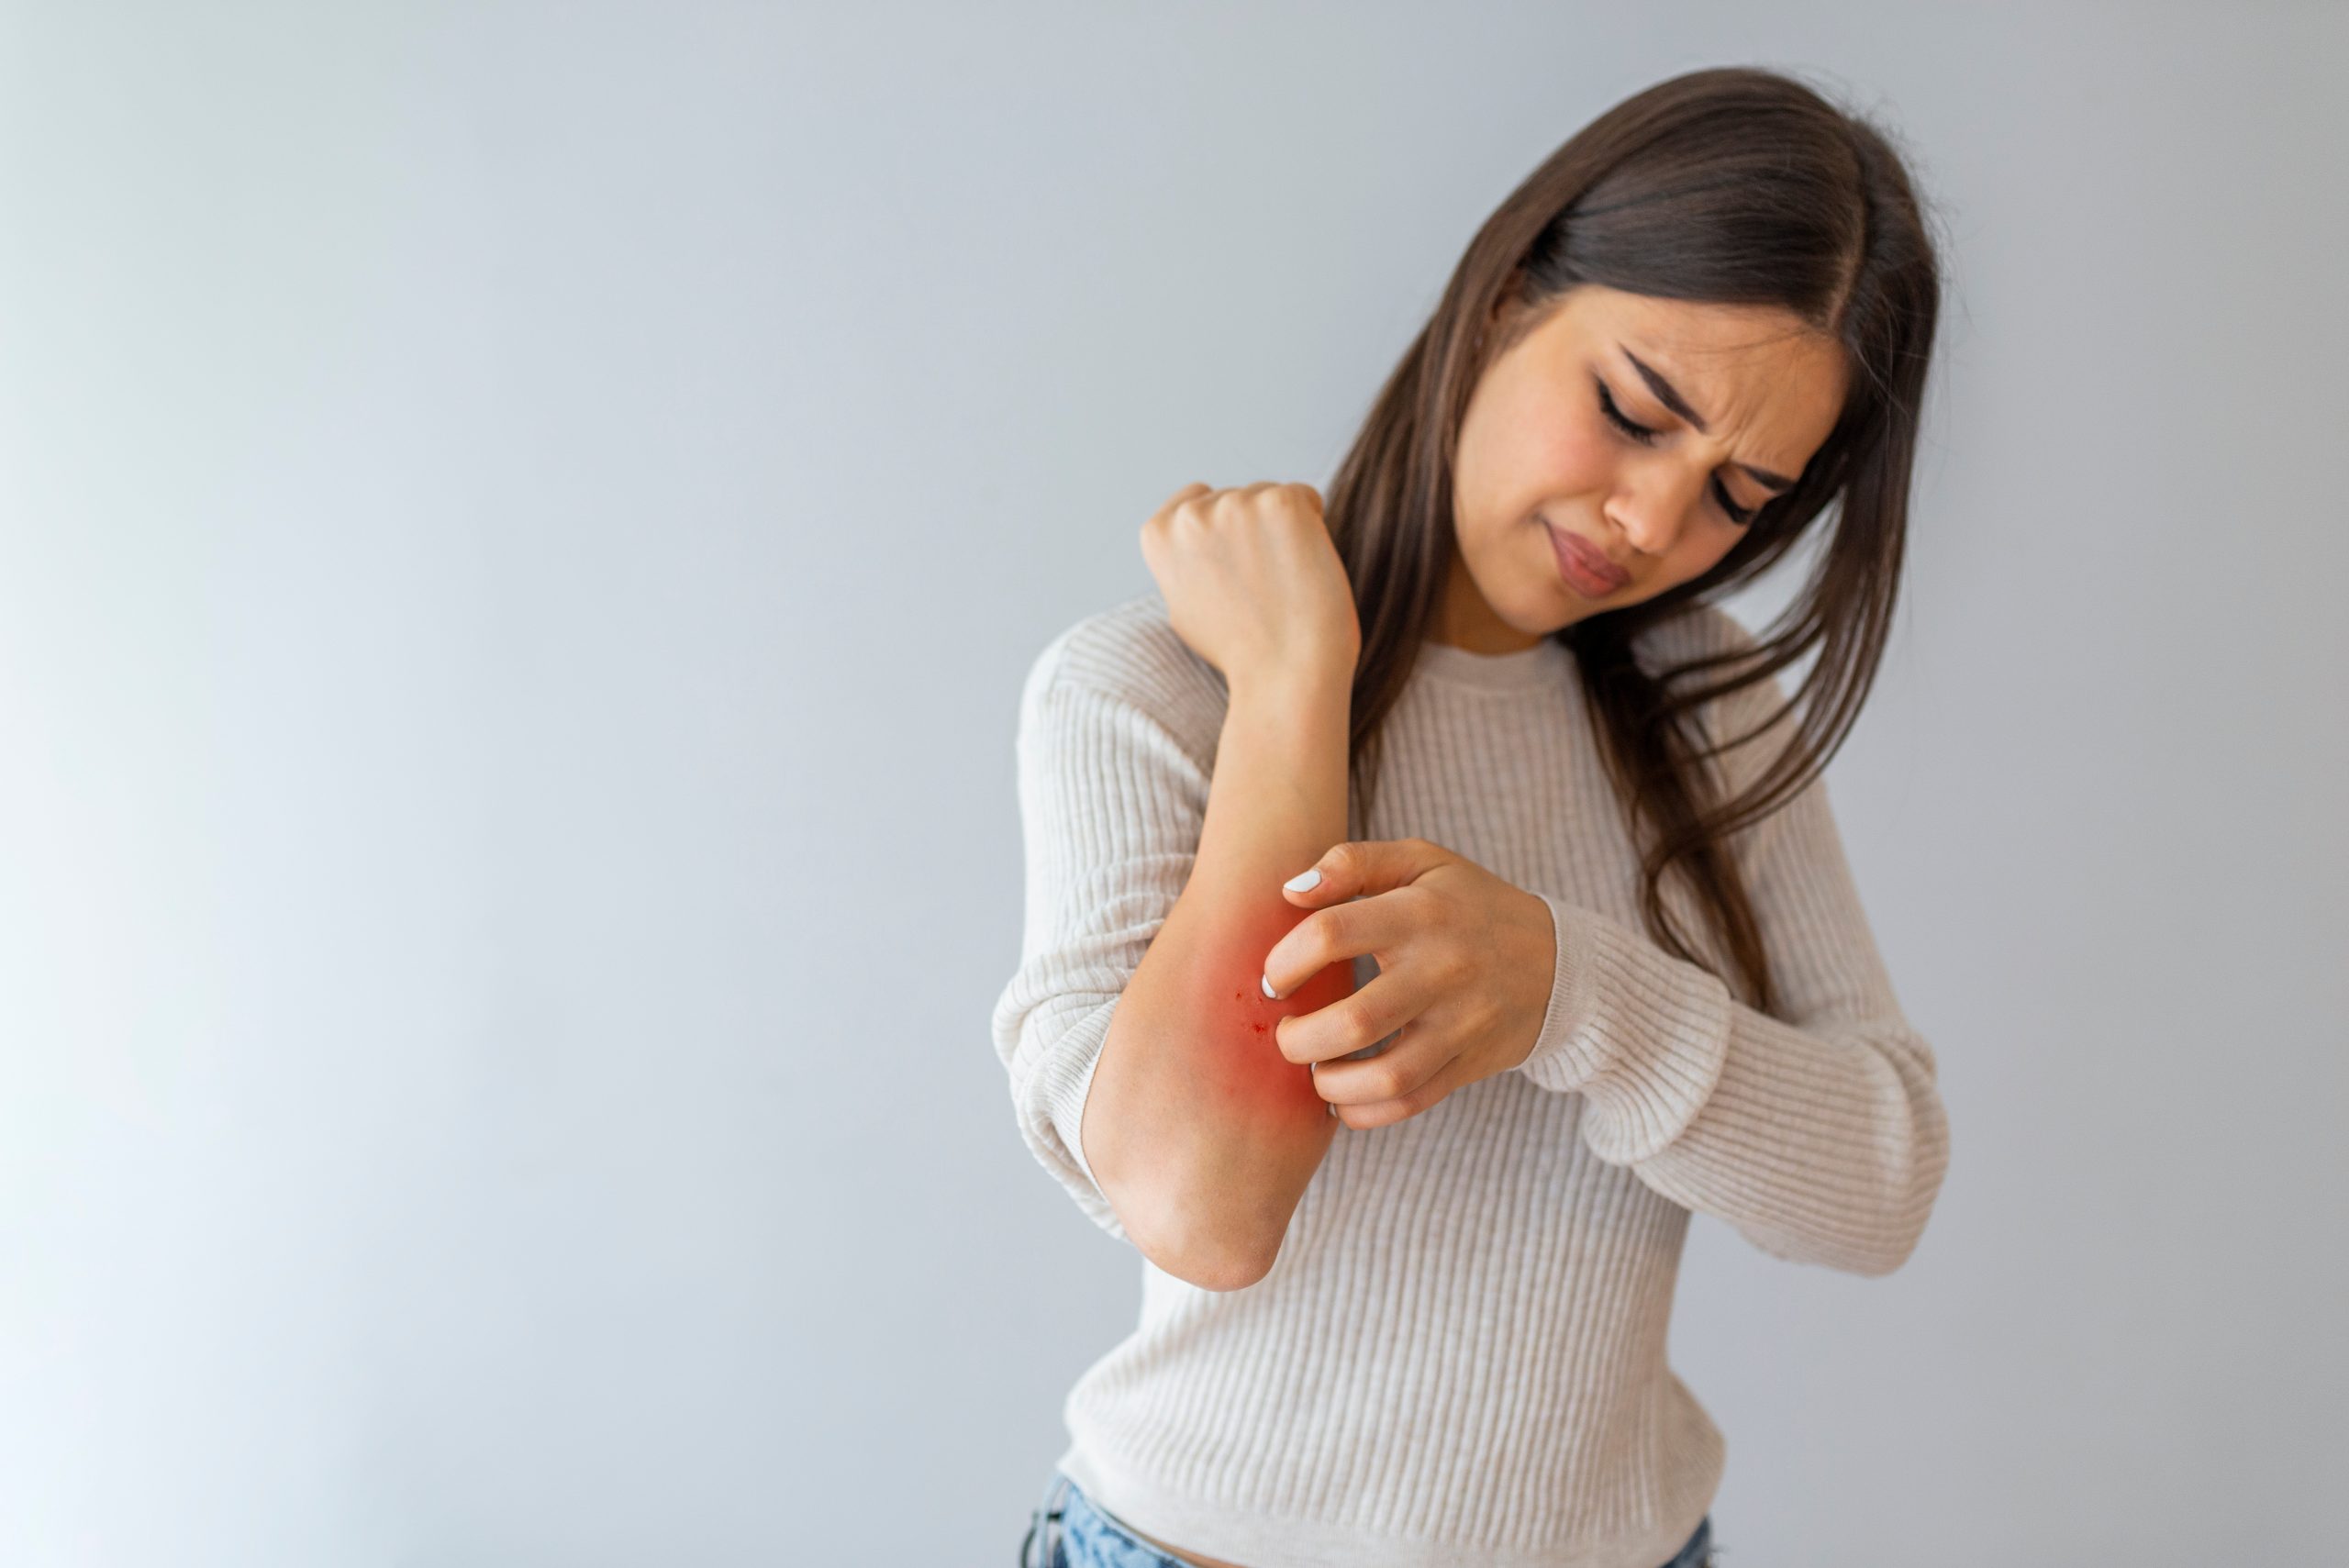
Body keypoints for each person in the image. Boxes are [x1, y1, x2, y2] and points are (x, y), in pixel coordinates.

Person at [993, 63, 1953, 1568]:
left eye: (1739, 494)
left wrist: (1575, 993)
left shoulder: (1707, 719)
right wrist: (1298, 682)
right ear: (1505, 294)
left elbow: (1885, 1177)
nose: (1653, 521)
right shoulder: (1154, 693)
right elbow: (1205, 1204)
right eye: (1635, 410)